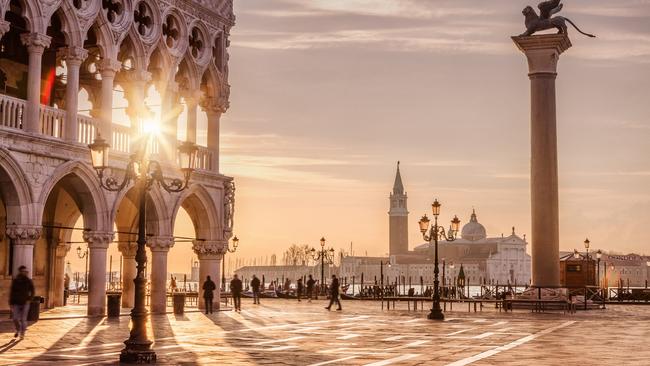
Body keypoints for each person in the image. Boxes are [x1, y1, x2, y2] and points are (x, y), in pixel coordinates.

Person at [10, 266, 34, 339]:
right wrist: (10, 302)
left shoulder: (28, 281)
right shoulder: (16, 281)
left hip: (25, 302)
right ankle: (18, 329)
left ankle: (22, 333)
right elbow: (12, 292)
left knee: (23, 319)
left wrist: (29, 299)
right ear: (20, 271)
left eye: (25, 271)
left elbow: (32, 291)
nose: (24, 272)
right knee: (15, 318)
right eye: (22, 271)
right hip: (16, 302)